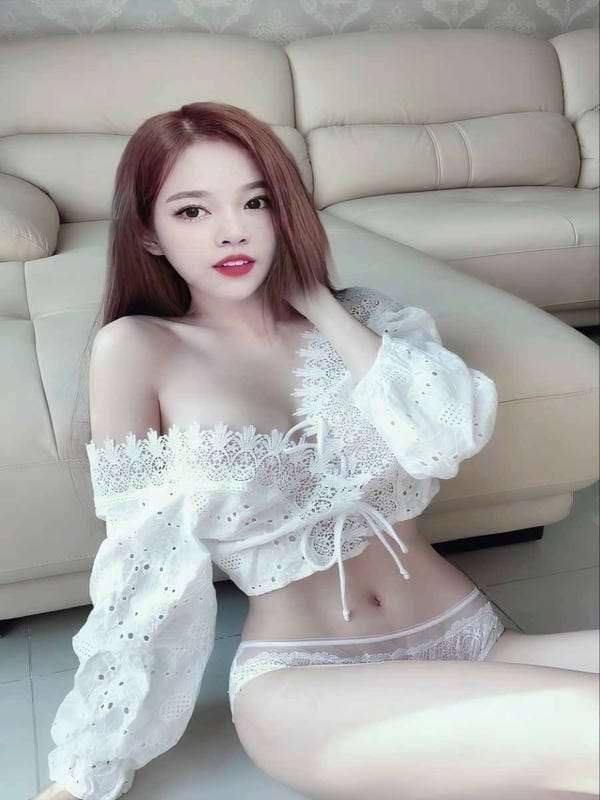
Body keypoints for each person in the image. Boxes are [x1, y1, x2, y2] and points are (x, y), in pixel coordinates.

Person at [33, 102, 599, 800]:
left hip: (471, 638)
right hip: (309, 682)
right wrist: (85, 770)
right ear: (148, 233)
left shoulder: (367, 319)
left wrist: (320, 304)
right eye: (192, 211)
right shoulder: (137, 350)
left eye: (256, 202)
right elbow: (141, 573)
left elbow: (447, 437)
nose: (232, 230)